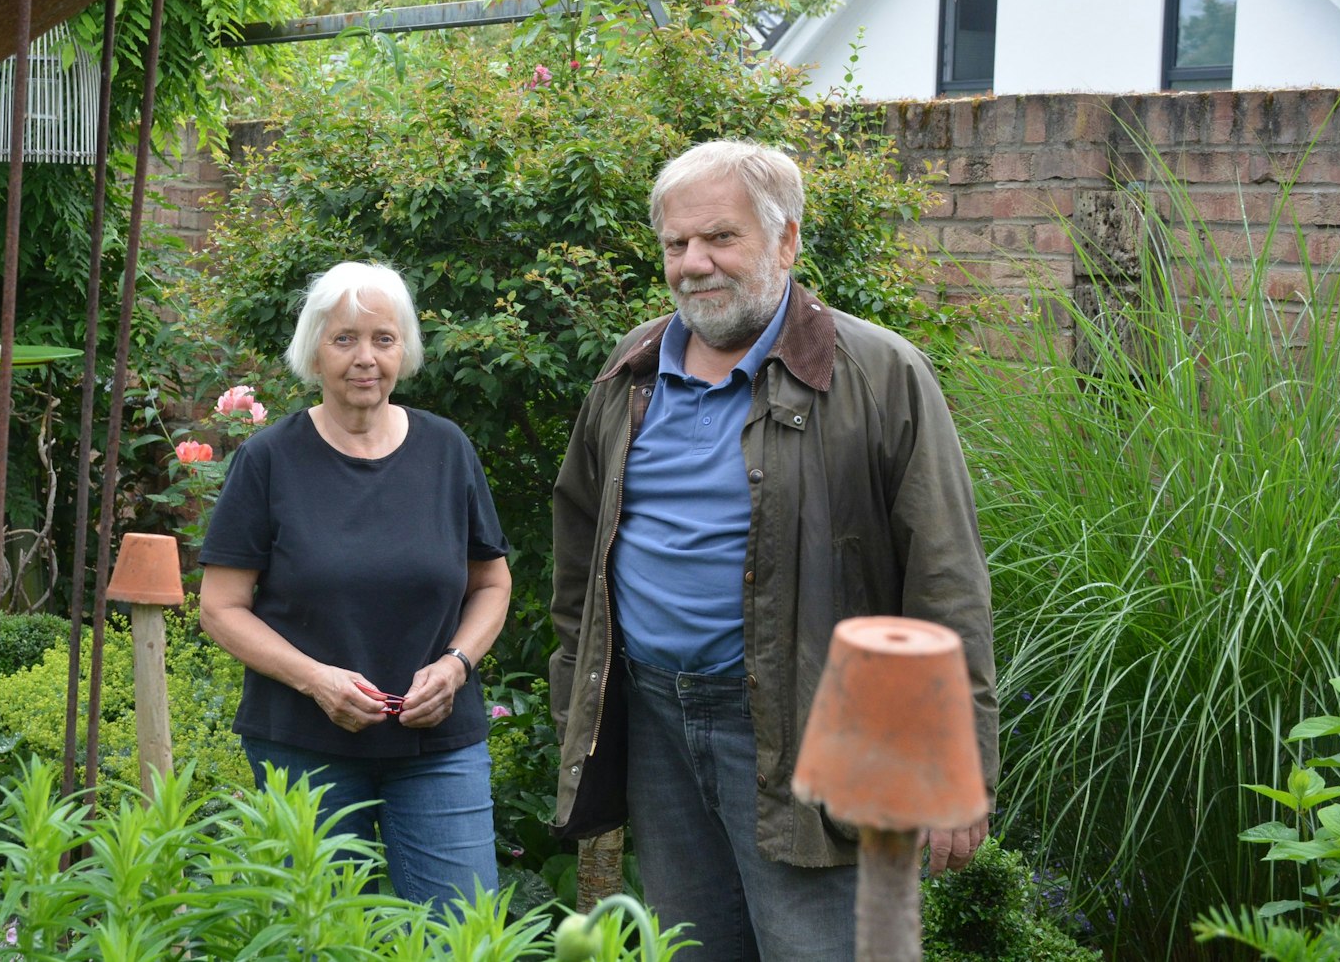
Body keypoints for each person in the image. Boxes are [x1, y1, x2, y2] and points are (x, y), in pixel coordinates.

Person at [549, 141, 998, 959]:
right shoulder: (629, 377)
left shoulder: (879, 373)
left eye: (720, 238)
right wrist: (576, 710)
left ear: (786, 241)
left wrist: (955, 761)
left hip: (808, 729)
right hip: (654, 719)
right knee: (694, 946)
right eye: (676, 245)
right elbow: (579, 565)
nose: (694, 264)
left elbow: (946, 577)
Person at [199, 260, 513, 908]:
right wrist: (317, 678)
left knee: (460, 935)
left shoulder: (447, 450)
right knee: (322, 935)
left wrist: (456, 664)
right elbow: (221, 606)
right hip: (304, 744)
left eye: (383, 338)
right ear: (314, 350)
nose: (364, 357)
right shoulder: (268, 460)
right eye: (344, 338)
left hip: (437, 746)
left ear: (405, 350)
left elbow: (492, 583)